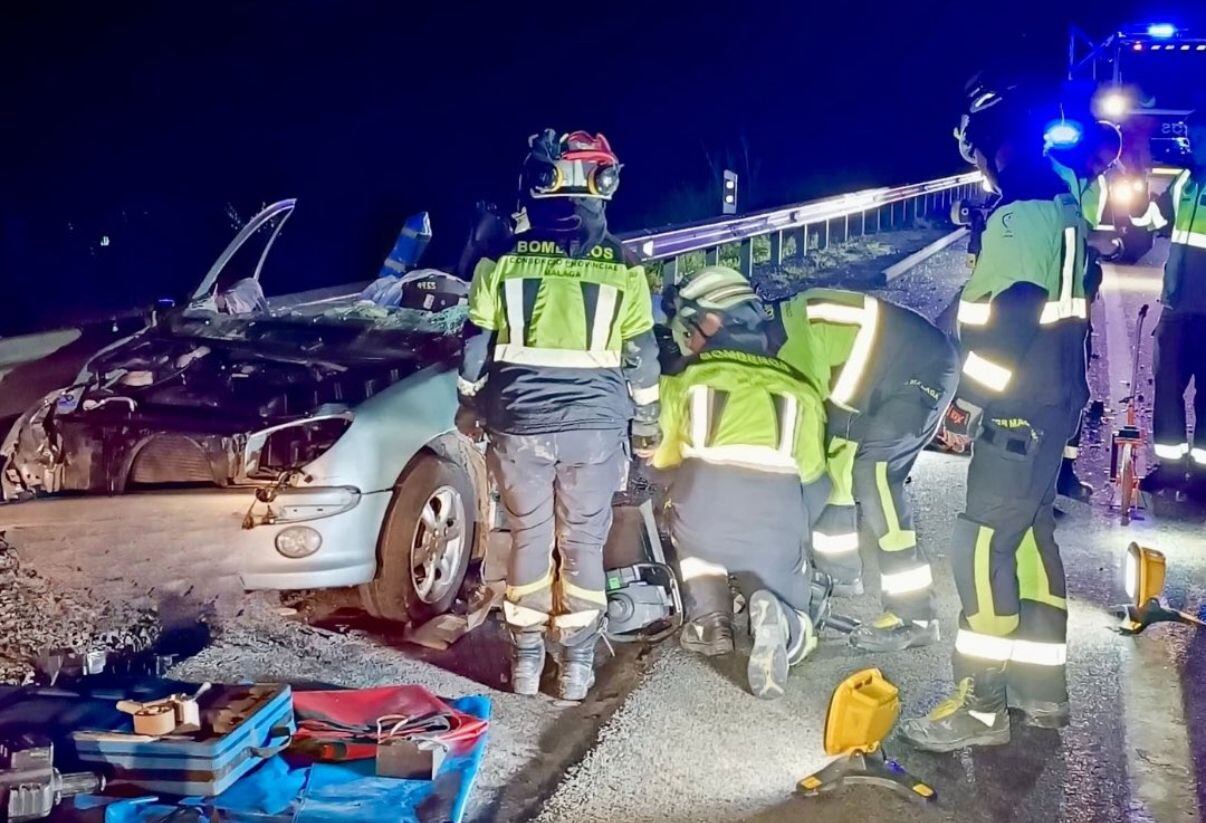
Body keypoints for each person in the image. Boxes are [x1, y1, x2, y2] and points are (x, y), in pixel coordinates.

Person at [900, 78, 1088, 751]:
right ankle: (1041, 692)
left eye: (976, 152)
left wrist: (967, 405)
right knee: (1032, 540)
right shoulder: (1062, 202)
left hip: (1016, 407)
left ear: (989, 147)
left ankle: (981, 704)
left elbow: (1009, 316)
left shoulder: (1016, 218)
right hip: (1058, 395)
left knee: (979, 545)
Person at [457, 129, 661, 700]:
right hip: (595, 432)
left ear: (537, 186)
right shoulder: (623, 269)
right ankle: (574, 669)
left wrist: (470, 401)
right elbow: (642, 358)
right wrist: (647, 423)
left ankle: (524, 664)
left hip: (518, 426)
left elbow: (475, 344)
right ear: (605, 186)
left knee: (528, 533)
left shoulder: (500, 262)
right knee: (582, 543)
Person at [653, 266, 830, 699]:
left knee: (690, 538)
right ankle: (783, 620)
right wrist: (797, 536)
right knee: (801, 621)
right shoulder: (799, 389)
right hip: (774, 527)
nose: (685, 341)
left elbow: (661, 460)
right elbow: (815, 480)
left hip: (702, 523)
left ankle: (709, 619)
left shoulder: (682, 382)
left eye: (687, 330)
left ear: (711, 324)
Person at [763, 288, 960, 652]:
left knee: (876, 478)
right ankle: (838, 577)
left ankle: (916, 616)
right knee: (835, 461)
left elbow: (801, 418)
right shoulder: (777, 328)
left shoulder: (792, 338)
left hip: (922, 369)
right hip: (873, 384)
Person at [1134, 106, 1206, 497]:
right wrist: (1137, 193)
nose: (1192, 146)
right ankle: (1173, 468)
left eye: (1199, 138)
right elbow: (1151, 220)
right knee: (1167, 389)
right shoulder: (1185, 184)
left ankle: (1204, 478)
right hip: (1178, 307)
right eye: (1190, 138)